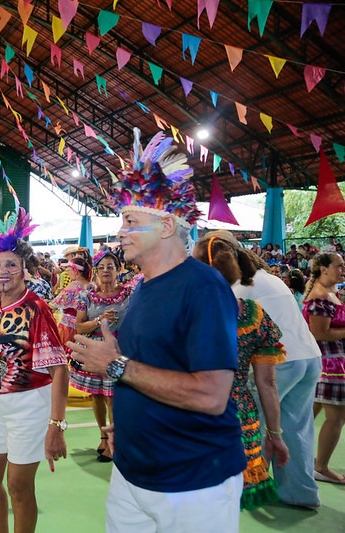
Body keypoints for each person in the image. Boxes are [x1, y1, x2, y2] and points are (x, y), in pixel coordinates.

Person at [70, 129, 247, 531]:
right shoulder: (144, 289)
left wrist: (115, 367)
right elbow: (152, 367)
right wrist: (129, 425)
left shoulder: (202, 287)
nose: (119, 232)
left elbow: (211, 394)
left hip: (192, 482)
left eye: (131, 221)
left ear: (166, 227)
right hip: (133, 471)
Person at [204, 231, 323, 509]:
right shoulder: (268, 278)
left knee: (249, 425)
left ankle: (243, 489)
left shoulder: (236, 286)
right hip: (308, 358)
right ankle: (300, 493)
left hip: (279, 364)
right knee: (297, 428)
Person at [0, 208, 68, 533]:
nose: (2, 270)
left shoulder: (36, 308)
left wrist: (56, 425)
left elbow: (60, 370)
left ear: (25, 269)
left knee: (18, 485)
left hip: (30, 405)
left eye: (11, 264)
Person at [193, 234, 291, 509]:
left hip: (192, 415)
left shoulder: (183, 313)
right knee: (226, 504)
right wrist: (275, 434)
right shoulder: (254, 315)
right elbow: (267, 384)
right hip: (240, 418)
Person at [67, 250, 133, 463]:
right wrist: (100, 320)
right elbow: (79, 326)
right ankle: (103, 437)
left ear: (119, 270)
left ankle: (115, 441)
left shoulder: (129, 294)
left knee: (113, 397)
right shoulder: (86, 296)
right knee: (96, 396)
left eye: (110, 267)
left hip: (119, 351)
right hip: (95, 352)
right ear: (95, 271)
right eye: (102, 267)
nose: (106, 271)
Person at [301, 252, 345, 484]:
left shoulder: (329, 293)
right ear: (324, 269)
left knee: (307, 416)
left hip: (328, 364)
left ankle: (302, 459)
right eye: (339, 266)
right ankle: (321, 467)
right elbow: (320, 333)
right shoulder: (320, 297)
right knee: (336, 418)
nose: (342, 269)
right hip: (329, 366)